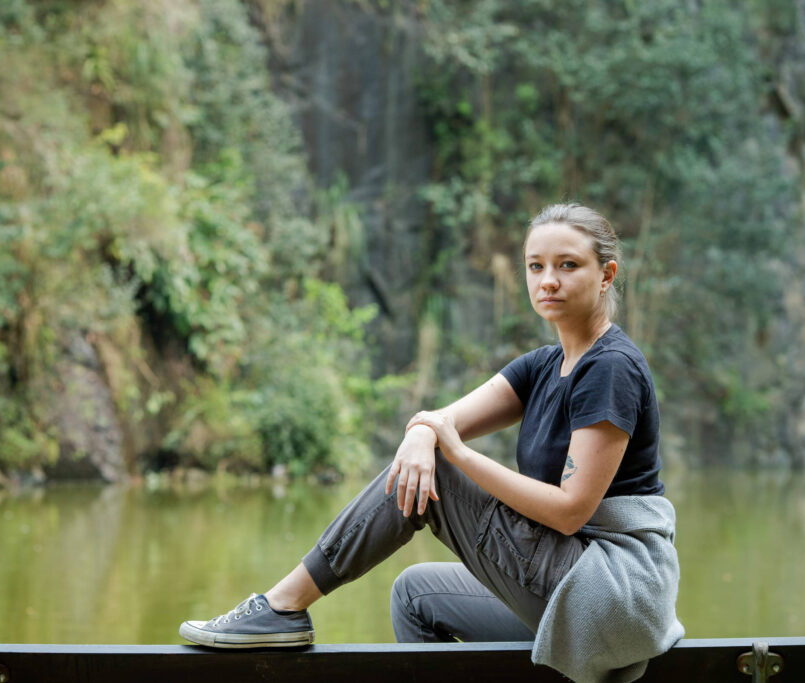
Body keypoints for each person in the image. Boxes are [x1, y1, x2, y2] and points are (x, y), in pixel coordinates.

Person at [179, 203, 684, 683]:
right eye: (536, 266)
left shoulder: (610, 367)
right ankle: (281, 610)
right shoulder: (543, 366)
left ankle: (282, 606)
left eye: (567, 265)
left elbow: (571, 511)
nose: (547, 279)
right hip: (576, 588)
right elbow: (442, 420)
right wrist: (423, 432)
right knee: (414, 594)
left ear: (606, 275)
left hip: (612, 594)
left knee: (440, 470)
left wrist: (455, 454)